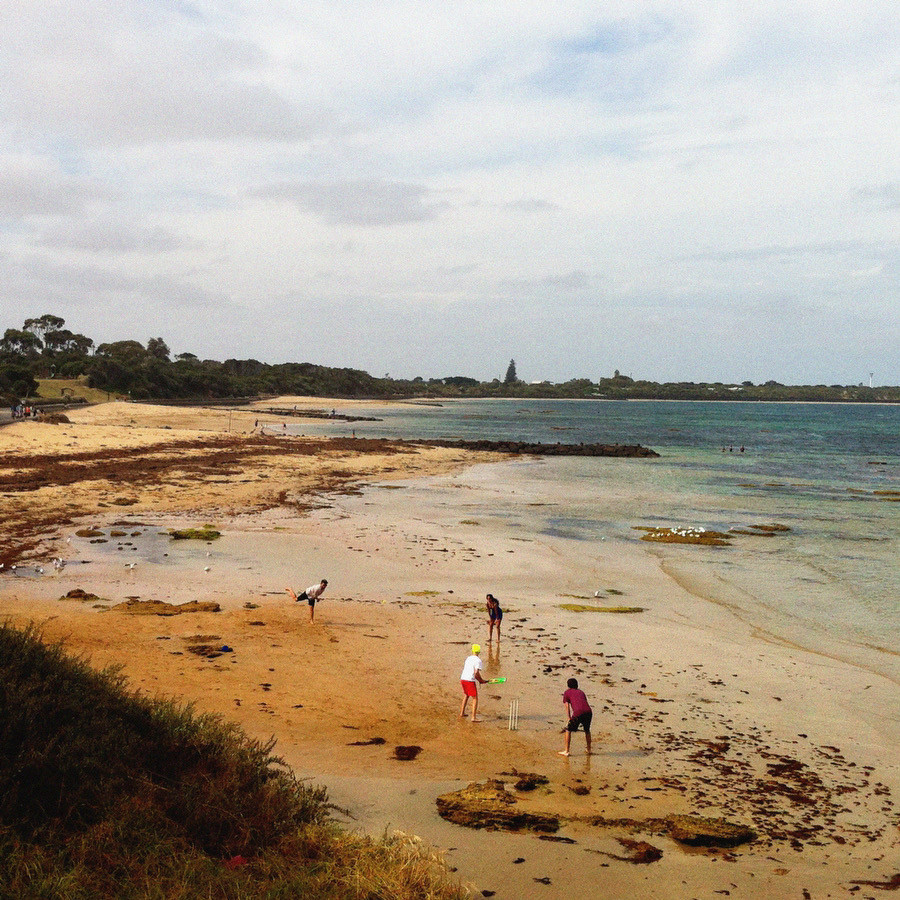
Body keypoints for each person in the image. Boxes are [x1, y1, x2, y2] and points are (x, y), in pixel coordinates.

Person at [559, 677, 592, 757]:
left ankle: (566, 751)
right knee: (587, 730)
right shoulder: (581, 692)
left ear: (568, 685)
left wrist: (569, 717)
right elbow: (583, 702)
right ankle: (589, 749)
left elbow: (567, 706)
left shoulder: (567, 692)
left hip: (578, 712)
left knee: (568, 729)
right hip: (588, 711)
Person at [459, 644, 487, 722]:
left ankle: (462, 713)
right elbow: (476, 673)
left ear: (472, 651)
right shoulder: (478, 660)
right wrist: (481, 680)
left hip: (463, 678)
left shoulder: (468, 658)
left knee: (466, 695)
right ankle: (473, 717)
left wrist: (480, 680)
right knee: (475, 698)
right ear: (479, 652)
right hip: (469, 680)